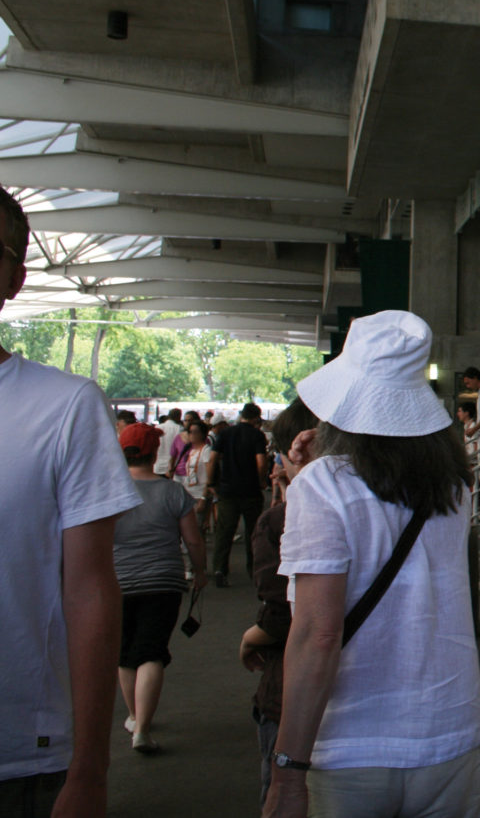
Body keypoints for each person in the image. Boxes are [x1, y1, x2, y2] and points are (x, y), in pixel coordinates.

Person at [264, 311, 480, 818]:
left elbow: (318, 636)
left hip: (352, 745)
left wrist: (286, 773)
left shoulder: (323, 487)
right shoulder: (455, 489)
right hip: (450, 730)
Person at [0, 186, 143, 818]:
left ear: (14, 276)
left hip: (22, 755)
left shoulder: (63, 407)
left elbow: (90, 589)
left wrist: (89, 770)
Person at [241, 398, 317, 809]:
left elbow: (285, 615)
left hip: (291, 691)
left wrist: (251, 637)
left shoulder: (278, 521)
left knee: (287, 794)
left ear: (296, 448)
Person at [114, 423, 208, 753]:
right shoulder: (172, 492)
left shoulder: (108, 489)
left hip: (118, 582)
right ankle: (142, 729)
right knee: (151, 651)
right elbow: (193, 540)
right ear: (156, 453)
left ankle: (134, 716)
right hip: (164, 581)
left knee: (126, 655)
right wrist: (200, 571)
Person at [209, 402, 269, 587]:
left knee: (224, 531)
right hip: (250, 490)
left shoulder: (225, 433)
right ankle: (254, 570)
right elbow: (260, 461)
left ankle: (219, 569)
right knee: (253, 532)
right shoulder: (257, 435)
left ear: (241, 415)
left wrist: (211, 482)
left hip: (228, 490)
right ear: (256, 418)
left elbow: (212, 459)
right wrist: (261, 481)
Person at [180, 419, 214, 533]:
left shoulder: (206, 451)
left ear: (202, 434)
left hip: (200, 494)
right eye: (190, 432)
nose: (191, 435)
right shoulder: (191, 450)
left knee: (197, 530)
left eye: (195, 432)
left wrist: (204, 498)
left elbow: (210, 475)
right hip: (189, 493)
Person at [153, 407, 183, 477]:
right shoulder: (179, 428)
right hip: (172, 466)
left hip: (157, 465)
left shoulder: (157, 427)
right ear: (179, 417)